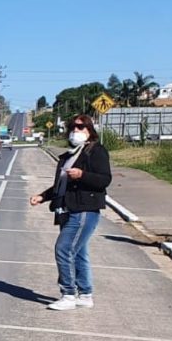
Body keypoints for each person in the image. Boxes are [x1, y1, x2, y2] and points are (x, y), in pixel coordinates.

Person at [30, 115, 112, 311]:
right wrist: (43, 196)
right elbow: (61, 185)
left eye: (81, 127)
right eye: (73, 127)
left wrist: (83, 175)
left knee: (64, 249)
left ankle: (68, 294)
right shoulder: (70, 155)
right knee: (79, 253)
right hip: (66, 209)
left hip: (84, 208)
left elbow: (104, 179)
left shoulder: (96, 151)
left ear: (90, 130)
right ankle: (85, 294)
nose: (76, 131)